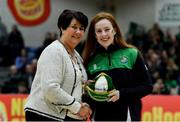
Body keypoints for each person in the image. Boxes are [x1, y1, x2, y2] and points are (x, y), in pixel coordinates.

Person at [82, 12, 153, 121]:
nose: (103, 34)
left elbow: (147, 86)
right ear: (95, 35)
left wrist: (121, 94)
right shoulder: (90, 60)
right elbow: (89, 96)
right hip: (99, 118)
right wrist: (87, 93)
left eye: (107, 29)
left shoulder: (132, 54)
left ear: (114, 30)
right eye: (99, 31)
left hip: (128, 117)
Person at [24, 9, 92, 121]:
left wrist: (87, 88)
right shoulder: (54, 50)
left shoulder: (77, 56)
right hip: (44, 115)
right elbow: (51, 88)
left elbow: (76, 84)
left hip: (64, 116)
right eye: (74, 27)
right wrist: (77, 107)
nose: (78, 32)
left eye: (81, 29)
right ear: (62, 27)